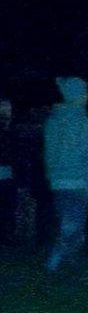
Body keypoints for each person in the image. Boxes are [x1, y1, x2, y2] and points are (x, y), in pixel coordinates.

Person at [43, 76, 88, 279]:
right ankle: (57, 265)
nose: (86, 96)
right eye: (84, 92)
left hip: (58, 182)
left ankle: (65, 267)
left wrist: (52, 177)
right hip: (78, 182)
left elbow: (48, 153)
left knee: (69, 226)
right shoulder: (83, 122)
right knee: (73, 228)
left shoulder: (52, 120)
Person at [0, 98, 17, 245]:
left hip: (9, 173)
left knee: (8, 206)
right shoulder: (8, 132)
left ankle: (8, 235)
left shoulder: (12, 131)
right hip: (5, 172)